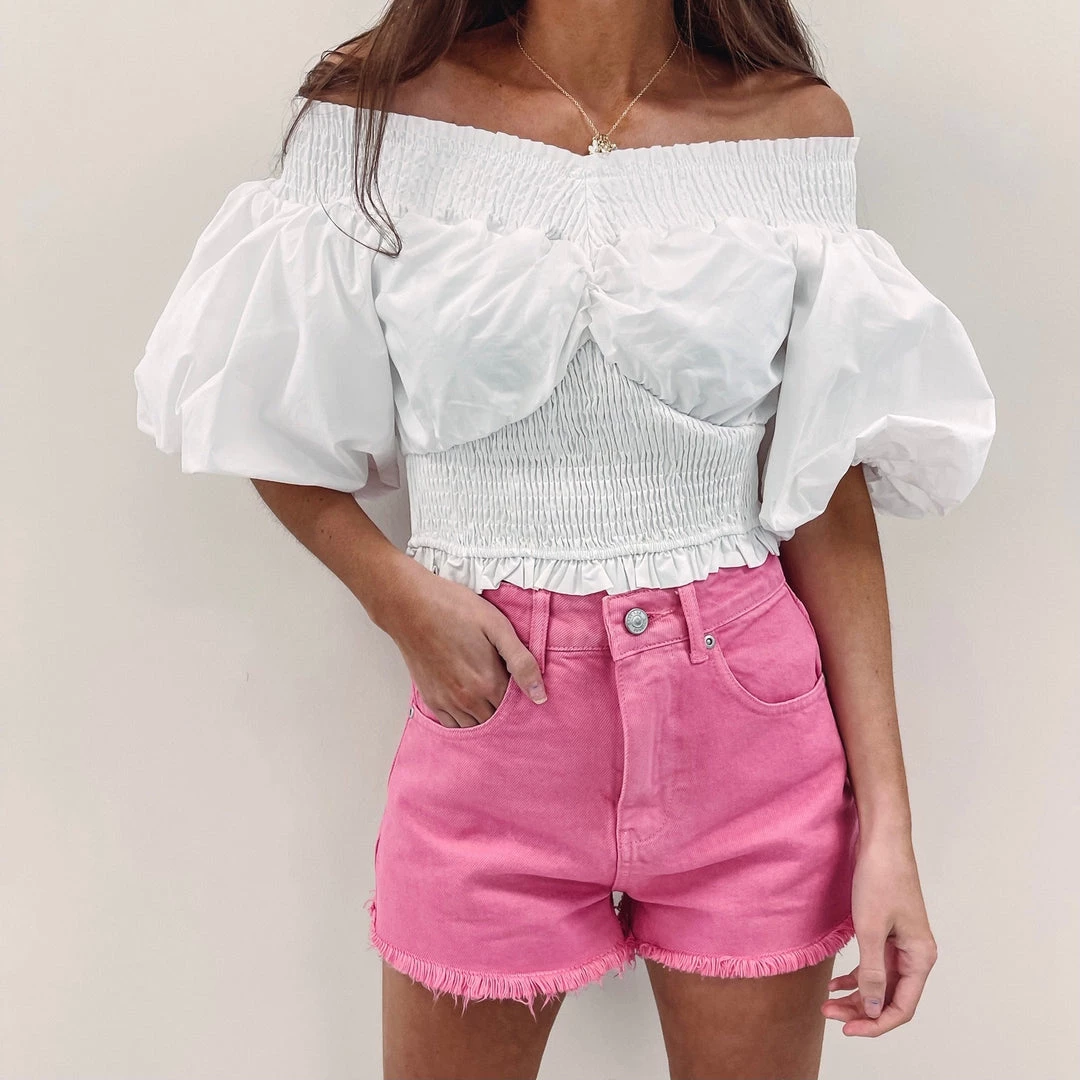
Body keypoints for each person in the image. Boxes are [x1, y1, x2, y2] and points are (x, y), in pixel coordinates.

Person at [133, 2, 996, 1077]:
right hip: (495, 730)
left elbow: (827, 487)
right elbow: (261, 403)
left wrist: (889, 831)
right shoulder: (380, 112)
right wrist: (394, 593)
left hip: (750, 733)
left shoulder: (789, 124)